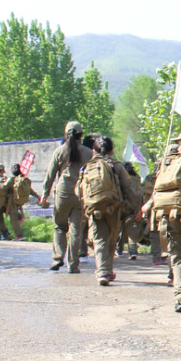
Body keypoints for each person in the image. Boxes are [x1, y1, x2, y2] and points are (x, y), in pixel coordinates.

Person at [145, 134, 181, 313]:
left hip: (167, 213)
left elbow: (156, 189)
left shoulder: (168, 162)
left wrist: (147, 206)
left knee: (178, 256)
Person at [77, 135, 126, 286]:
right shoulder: (115, 166)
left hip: (95, 208)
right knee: (111, 238)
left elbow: (78, 191)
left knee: (99, 239)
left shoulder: (86, 167)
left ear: (94, 151)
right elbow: (129, 188)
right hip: (114, 207)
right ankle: (107, 271)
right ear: (111, 151)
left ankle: (103, 272)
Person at [42, 121, 89, 273]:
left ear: (66, 134)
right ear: (81, 135)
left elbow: (50, 176)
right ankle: (73, 264)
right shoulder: (88, 153)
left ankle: (57, 258)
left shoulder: (59, 151)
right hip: (80, 194)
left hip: (62, 192)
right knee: (76, 230)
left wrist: (45, 195)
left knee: (60, 227)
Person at [6, 164, 40, 240]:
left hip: (12, 201)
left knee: (13, 218)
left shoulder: (12, 180)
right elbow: (30, 191)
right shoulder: (24, 180)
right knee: (17, 216)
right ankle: (20, 220)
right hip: (20, 201)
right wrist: (38, 196)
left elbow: (4, 188)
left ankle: (19, 236)